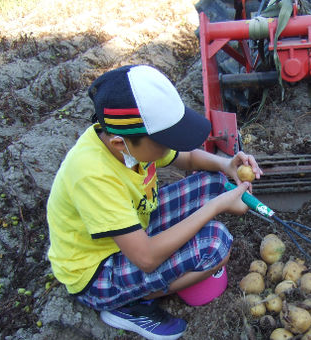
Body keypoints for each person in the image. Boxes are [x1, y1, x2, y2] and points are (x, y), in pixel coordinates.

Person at [46, 64, 263, 340]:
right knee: (216, 245)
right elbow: (146, 259)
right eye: (165, 141)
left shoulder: (131, 141)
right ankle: (126, 304)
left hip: (133, 228)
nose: (169, 147)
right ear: (118, 144)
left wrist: (226, 164)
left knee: (216, 182)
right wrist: (217, 207)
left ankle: (139, 285)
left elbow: (188, 158)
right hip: (97, 273)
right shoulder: (92, 176)